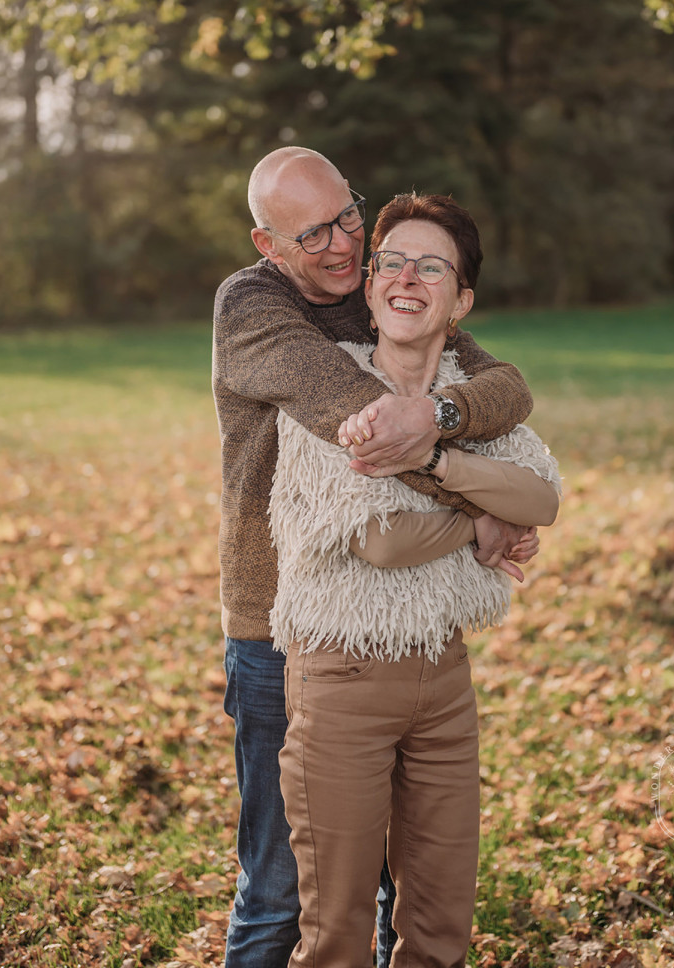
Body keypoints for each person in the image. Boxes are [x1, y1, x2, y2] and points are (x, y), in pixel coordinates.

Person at [213, 149, 539, 968]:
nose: (343, 241)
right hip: (279, 626)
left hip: (406, 632)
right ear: (268, 243)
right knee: (285, 888)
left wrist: (443, 406)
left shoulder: (380, 289)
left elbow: (506, 389)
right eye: (312, 231)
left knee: (410, 885)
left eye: (349, 214)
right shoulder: (253, 306)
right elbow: (362, 419)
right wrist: (484, 512)